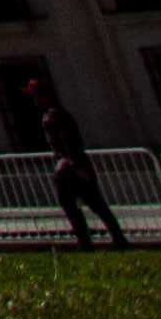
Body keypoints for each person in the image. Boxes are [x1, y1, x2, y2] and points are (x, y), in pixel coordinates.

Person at [44, 99, 129, 249]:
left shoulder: (56, 116)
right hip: (69, 166)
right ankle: (96, 241)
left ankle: (101, 241)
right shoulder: (56, 114)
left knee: (90, 205)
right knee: (86, 206)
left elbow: (69, 141)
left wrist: (73, 163)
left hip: (70, 168)